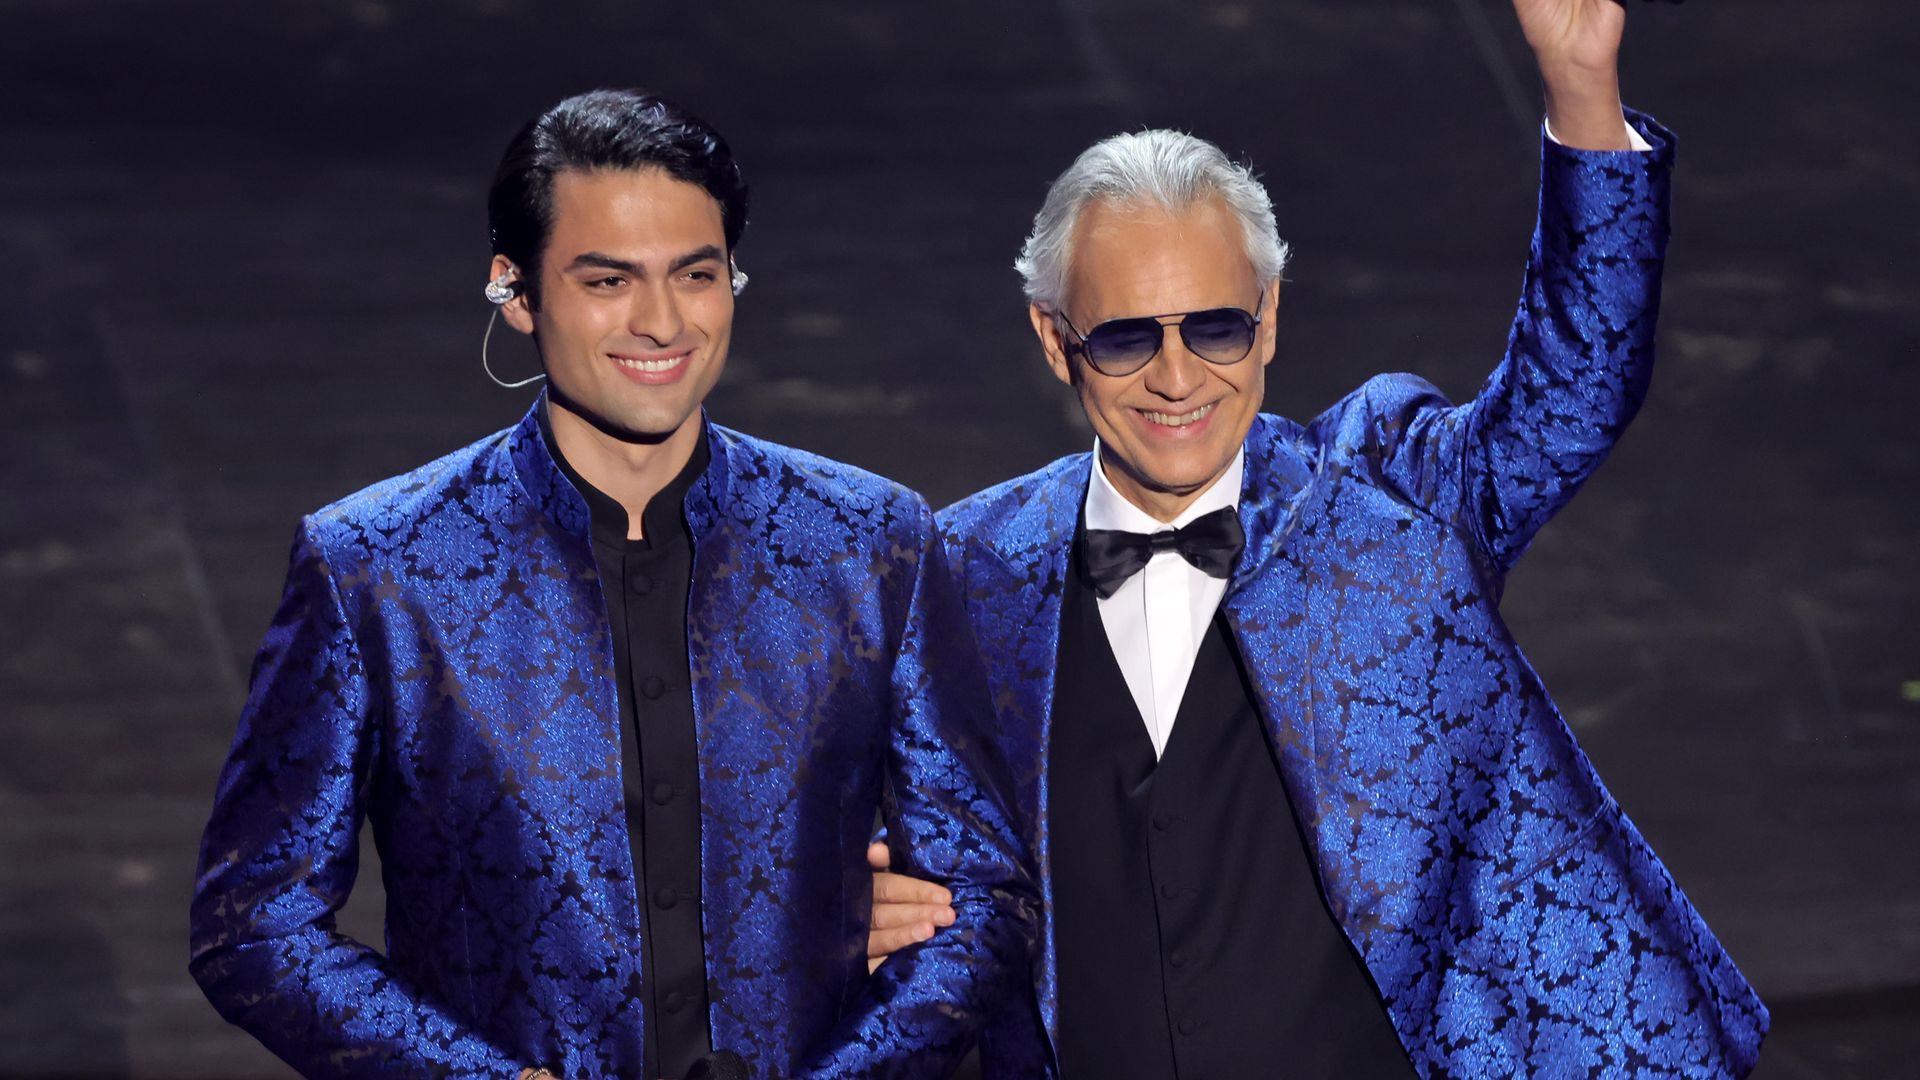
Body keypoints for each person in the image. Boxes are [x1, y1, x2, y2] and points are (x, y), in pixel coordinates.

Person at [868, 1, 1768, 1075]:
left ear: (1272, 317)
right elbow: (895, 848)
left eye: (1216, 326)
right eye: (1123, 338)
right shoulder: (962, 573)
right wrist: (842, 906)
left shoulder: (1389, 489)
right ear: (1054, 342)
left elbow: (1572, 394)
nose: (1176, 377)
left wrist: (1581, 87)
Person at [190, 88, 1036, 1080]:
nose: (662, 320)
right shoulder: (379, 569)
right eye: (607, 280)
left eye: (697, 273)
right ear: (515, 290)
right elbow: (254, 922)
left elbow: (984, 896)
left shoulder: (867, 542)